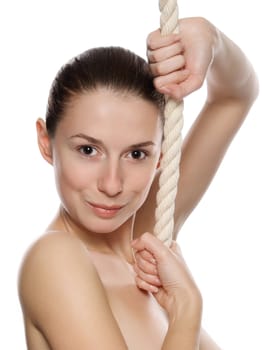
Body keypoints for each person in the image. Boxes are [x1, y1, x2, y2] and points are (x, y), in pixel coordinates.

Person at [18, 17, 258, 350]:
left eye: (136, 154)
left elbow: (237, 95)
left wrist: (210, 38)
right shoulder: (56, 259)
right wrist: (187, 310)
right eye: (88, 150)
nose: (112, 184)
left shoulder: (148, 236)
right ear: (46, 142)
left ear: (161, 155)